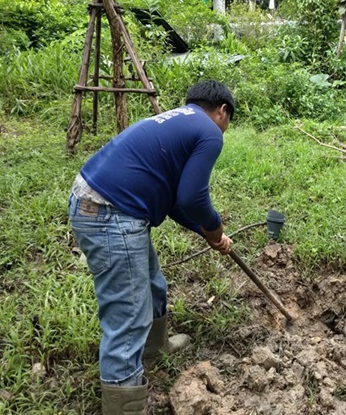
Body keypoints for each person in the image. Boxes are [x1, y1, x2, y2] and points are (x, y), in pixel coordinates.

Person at [67, 80, 235, 414]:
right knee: (129, 317)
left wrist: (207, 233)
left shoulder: (177, 120)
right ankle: (124, 407)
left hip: (104, 204)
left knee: (153, 283)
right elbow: (194, 197)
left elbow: (174, 201)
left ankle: (155, 347)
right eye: (228, 120)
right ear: (222, 111)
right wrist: (215, 230)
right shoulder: (209, 131)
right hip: (110, 212)